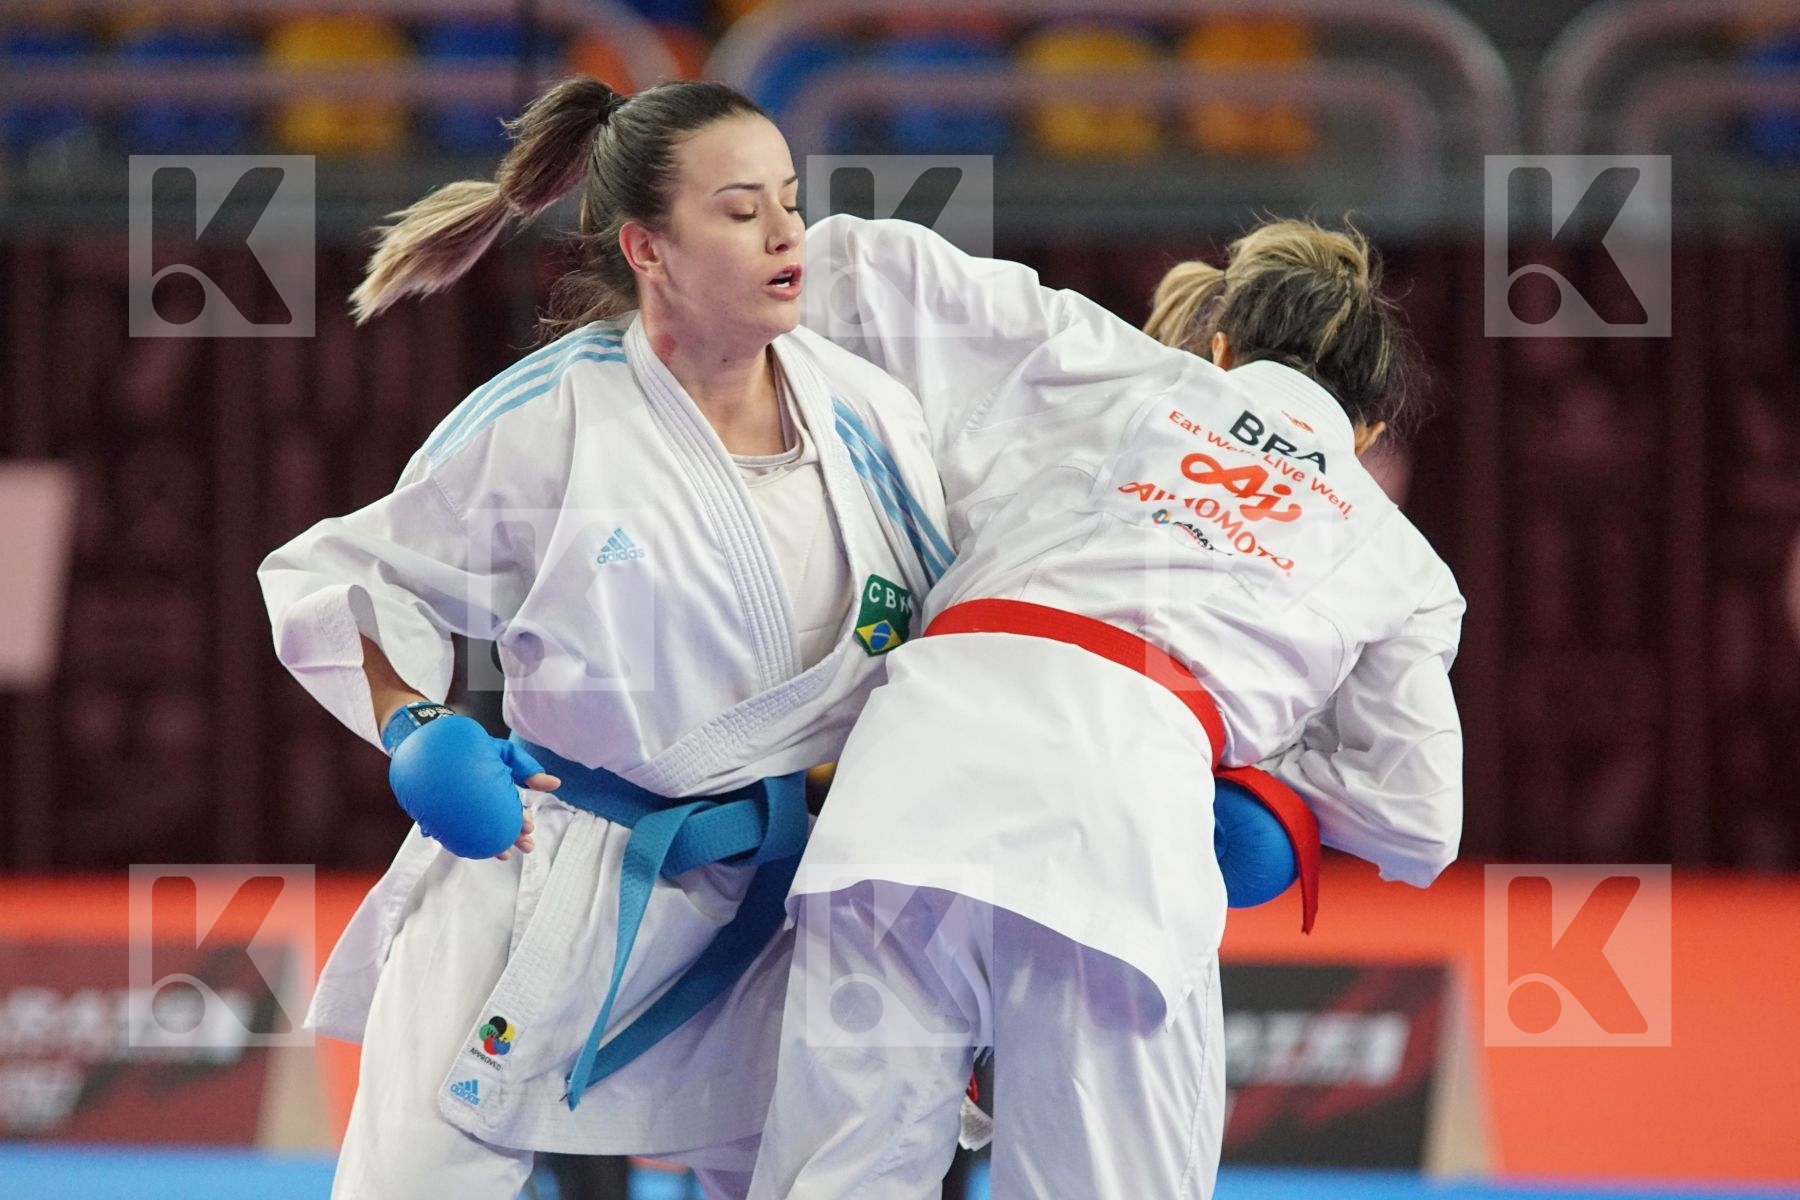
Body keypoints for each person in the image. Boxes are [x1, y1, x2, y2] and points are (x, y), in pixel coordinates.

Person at [257, 78, 951, 1200]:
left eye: (790, 199)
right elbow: (338, 574)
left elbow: (952, 617)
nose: (788, 234)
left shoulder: (871, 411)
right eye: (741, 210)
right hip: (554, 869)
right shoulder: (552, 417)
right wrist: (417, 728)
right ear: (647, 248)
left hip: (779, 897)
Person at [745, 214, 1465, 1198]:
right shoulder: (1401, 559)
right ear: (1370, 431)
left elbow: (865, 263)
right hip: (1120, 832)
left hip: (906, 785)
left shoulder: (1106, 356)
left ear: (1219, 349)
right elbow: (1418, 823)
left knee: (834, 1181)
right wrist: (1261, 791)